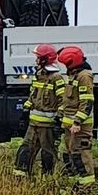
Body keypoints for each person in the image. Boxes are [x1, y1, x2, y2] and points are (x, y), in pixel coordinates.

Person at [14, 44, 65, 177]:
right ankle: (20, 178)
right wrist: (25, 111)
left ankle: (47, 179)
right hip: (33, 124)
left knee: (48, 154)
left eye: (38, 57)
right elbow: (33, 95)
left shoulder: (56, 78)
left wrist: (59, 119)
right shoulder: (38, 75)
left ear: (45, 59)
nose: (36, 60)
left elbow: (63, 100)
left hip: (47, 125)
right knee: (25, 150)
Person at [57, 46, 97, 185]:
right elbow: (69, 100)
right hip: (70, 126)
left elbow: (87, 102)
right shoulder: (74, 75)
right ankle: (75, 183)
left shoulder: (84, 76)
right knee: (70, 154)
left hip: (80, 127)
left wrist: (77, 122)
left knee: (81, 155)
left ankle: (86, 186)